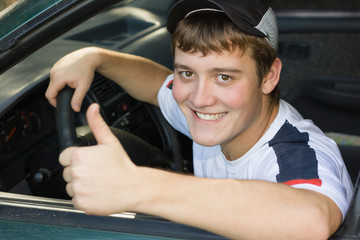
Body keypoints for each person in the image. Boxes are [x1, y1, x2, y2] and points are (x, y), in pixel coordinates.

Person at [45, 0, 353, 239]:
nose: (199, 98)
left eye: (223, 77)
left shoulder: (295, 153)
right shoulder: (215, 116)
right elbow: (156, 84)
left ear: (269, 76)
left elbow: (311, 220)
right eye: (187, 72)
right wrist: (96, 57)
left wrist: (136, 186)